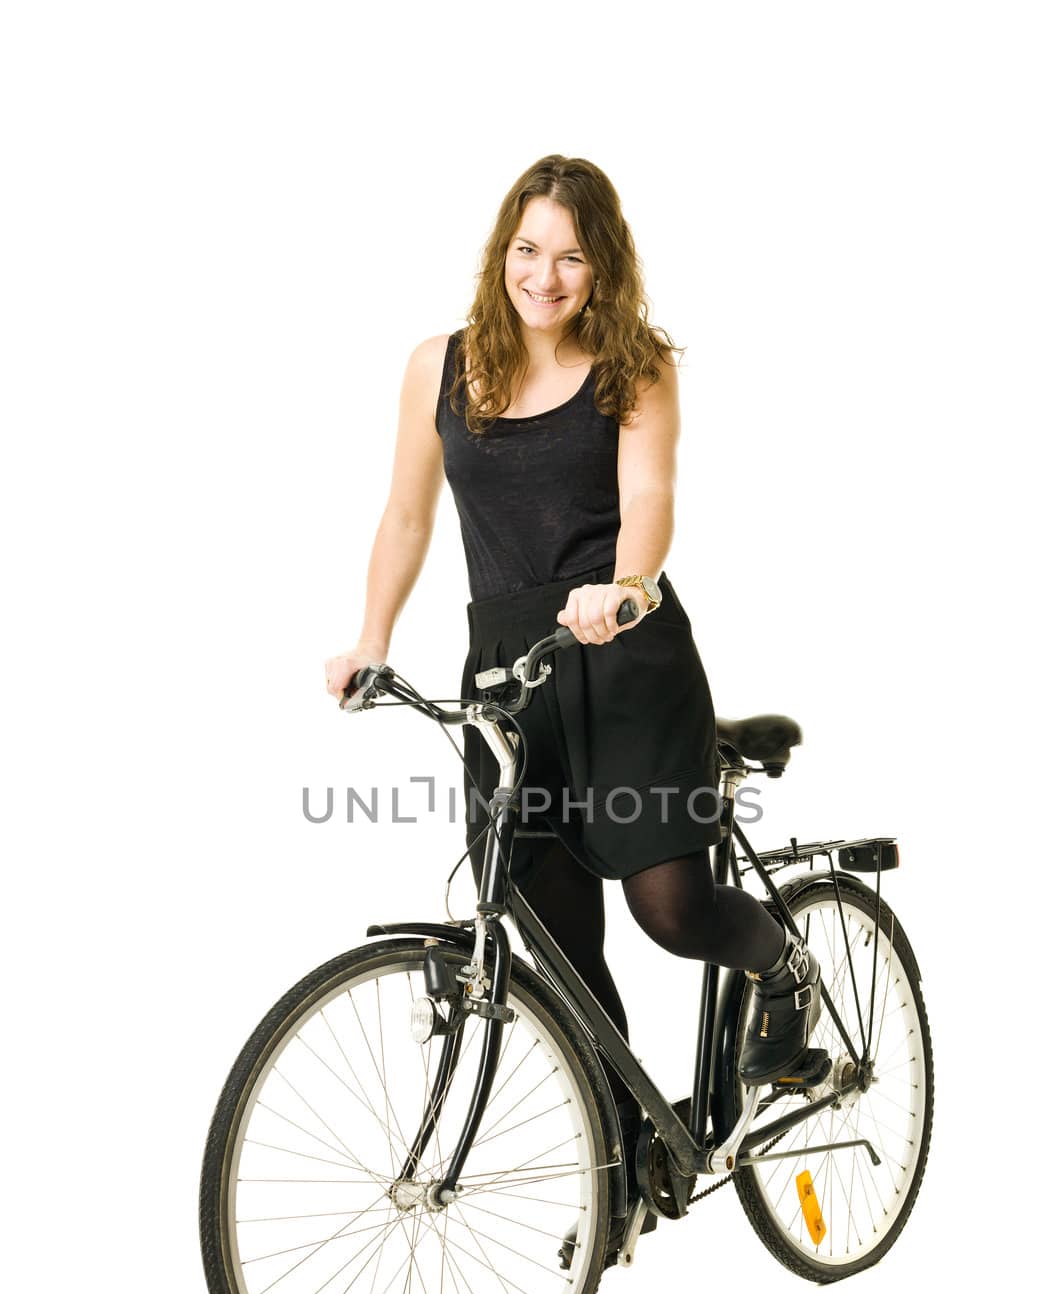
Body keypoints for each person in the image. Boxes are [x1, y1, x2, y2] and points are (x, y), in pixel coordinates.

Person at [325, 154, 822, 1097]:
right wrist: (372, 641)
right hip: (511, 678)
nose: (544, 277)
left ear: (604, 268)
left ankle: (782, 969)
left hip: (624, 650)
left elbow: (650, 497)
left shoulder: (637, 364)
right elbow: (408, 514)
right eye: (528, 250)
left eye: (572, 258)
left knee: (672, 911)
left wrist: (628, 586)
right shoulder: (442, 365)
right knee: (551, 941)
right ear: (501, 250)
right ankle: (627, 1144)